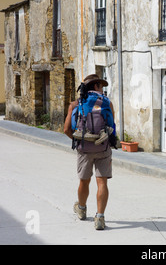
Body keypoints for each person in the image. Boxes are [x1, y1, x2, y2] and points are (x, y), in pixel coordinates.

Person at [64, 74, 115, 230]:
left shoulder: (75, 104)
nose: (102, 89)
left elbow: (66, 129)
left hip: (84, 149)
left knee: (84, 181)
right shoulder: (107, 103)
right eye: (101, 85)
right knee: (102, 182)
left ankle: (82, 208)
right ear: (95, 86)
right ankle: (100, 217)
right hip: (103, 147)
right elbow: (112, 126)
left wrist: (79, 139)